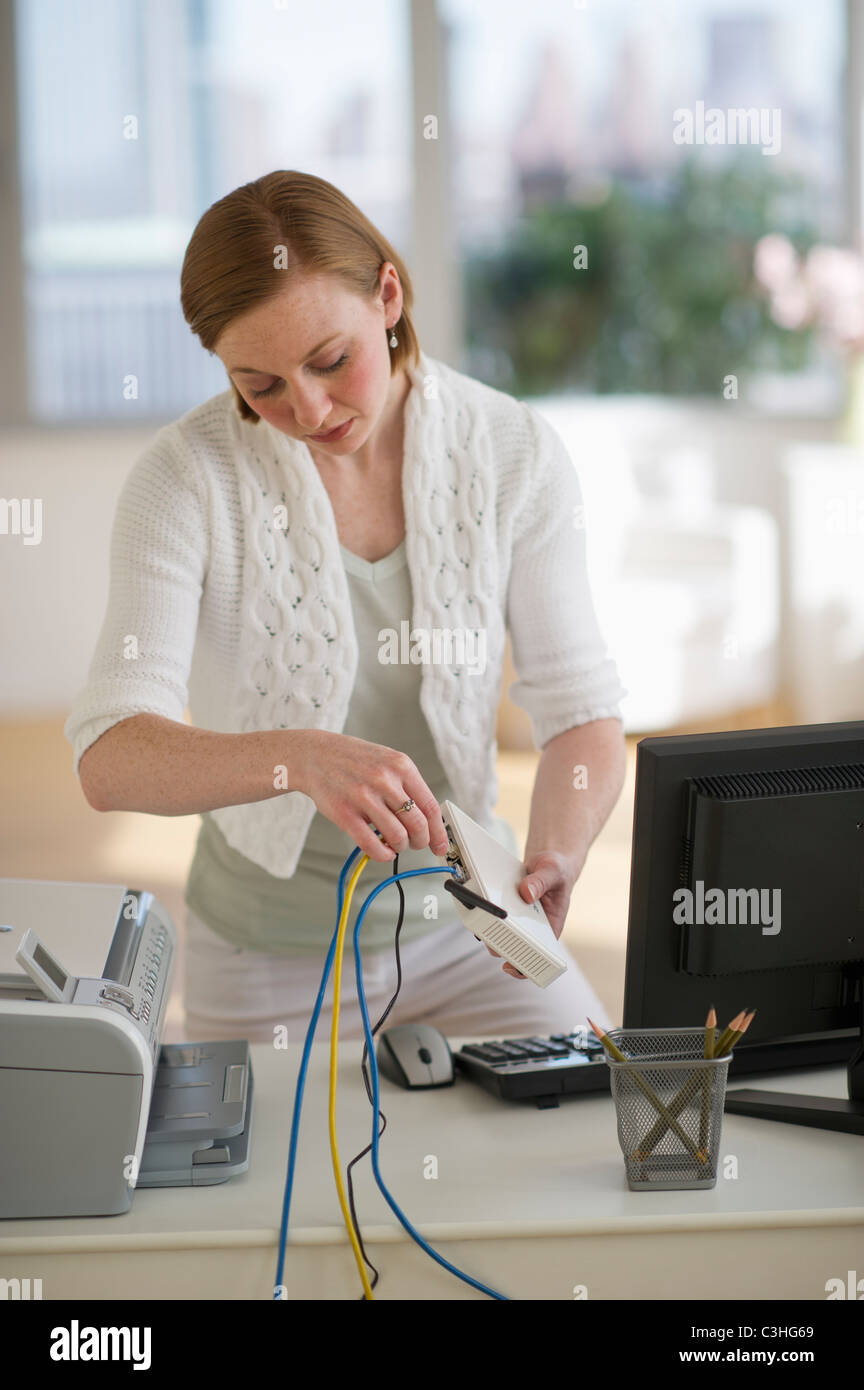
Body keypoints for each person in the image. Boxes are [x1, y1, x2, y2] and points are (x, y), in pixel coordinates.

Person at [64, 170, 627, 1044]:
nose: (310, 409)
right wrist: (298, 759)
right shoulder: (183, 480)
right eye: (262, 385)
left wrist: (555, 851)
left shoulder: (512, 449)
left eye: (331, 361)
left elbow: (581, 710)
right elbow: (110, 756)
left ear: (388, 295)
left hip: (472, 935)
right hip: (266, 960)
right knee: (276, 1185)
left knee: (599, 1119)